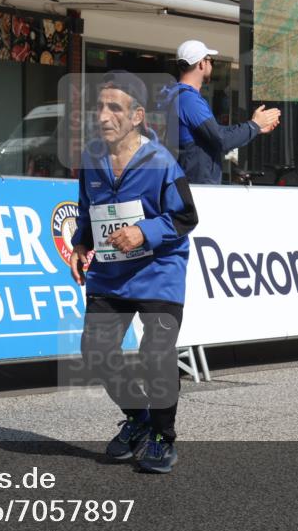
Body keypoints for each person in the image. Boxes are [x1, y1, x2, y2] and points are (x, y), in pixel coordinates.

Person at [70, 70, 198, 474]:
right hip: (111, 273)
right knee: (95, 351)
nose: (103, 116)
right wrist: (80, 243)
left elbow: (185, 217)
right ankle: (139, 417)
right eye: (99, 107)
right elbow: (88, 210)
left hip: (160, 270)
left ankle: (162, 436)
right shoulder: (91, 160)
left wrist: (143, 231)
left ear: (138, 115)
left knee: (155, 354)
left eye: (114, 108)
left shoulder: (162, 163)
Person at [168, 39, 281, 184]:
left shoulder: (178, 96)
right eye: (211, 61)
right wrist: (254, 125)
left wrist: (255, 128)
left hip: (189, 184)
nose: (211, 65)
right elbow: (221, 139)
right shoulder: (188, 100)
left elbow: (215, 134)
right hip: (196, 187)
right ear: (202, 63)